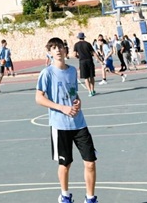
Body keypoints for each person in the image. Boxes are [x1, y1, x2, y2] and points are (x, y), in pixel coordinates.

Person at [36, 37, 98, 203]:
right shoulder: (47, 73)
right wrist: (62, 108)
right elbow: (39, 98)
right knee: (65, 164)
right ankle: (65, 196)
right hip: (60, 125)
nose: (58, 50)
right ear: (49, 52)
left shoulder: (72, 71)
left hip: (79, 123)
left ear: (65, 50)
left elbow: (73, 93)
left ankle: (90, 198)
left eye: (60, 47)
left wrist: (78, 101)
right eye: (54, 48)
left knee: (90, 162)